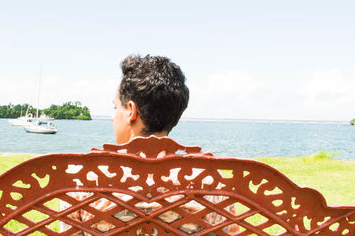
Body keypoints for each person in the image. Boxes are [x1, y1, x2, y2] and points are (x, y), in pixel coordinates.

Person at [61, 55, 239, 235]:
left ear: (131, 111)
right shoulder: (210, 185)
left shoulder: (80, 182)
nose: (113, 116)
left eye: (115, 107)